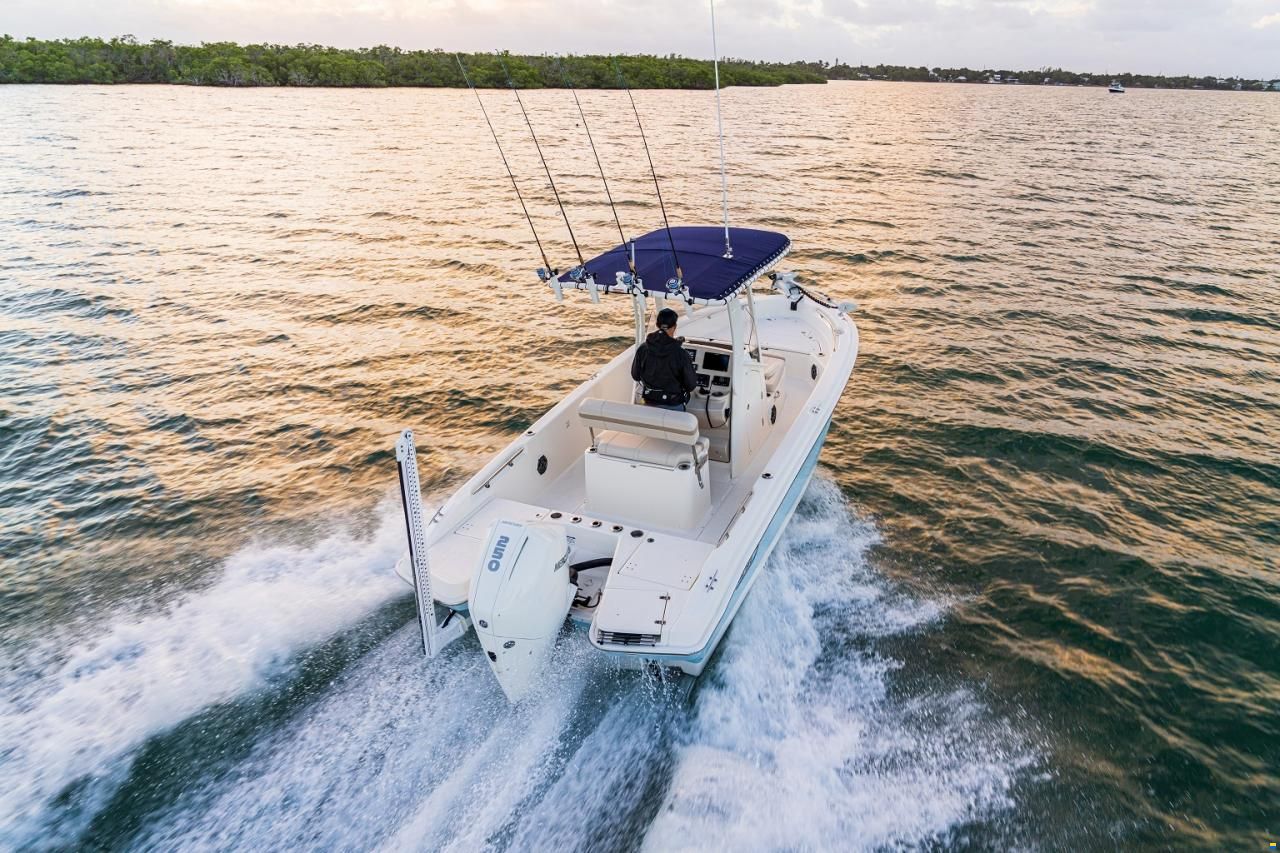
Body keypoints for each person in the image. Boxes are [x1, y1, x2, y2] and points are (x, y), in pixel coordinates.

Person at [631, 307, 697, 411]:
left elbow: (635, 375)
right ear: (674, 327)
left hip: (649, 403)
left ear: (657, 325)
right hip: (673, 405)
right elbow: (691, 385)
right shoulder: (681, 354)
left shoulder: (643, 348)